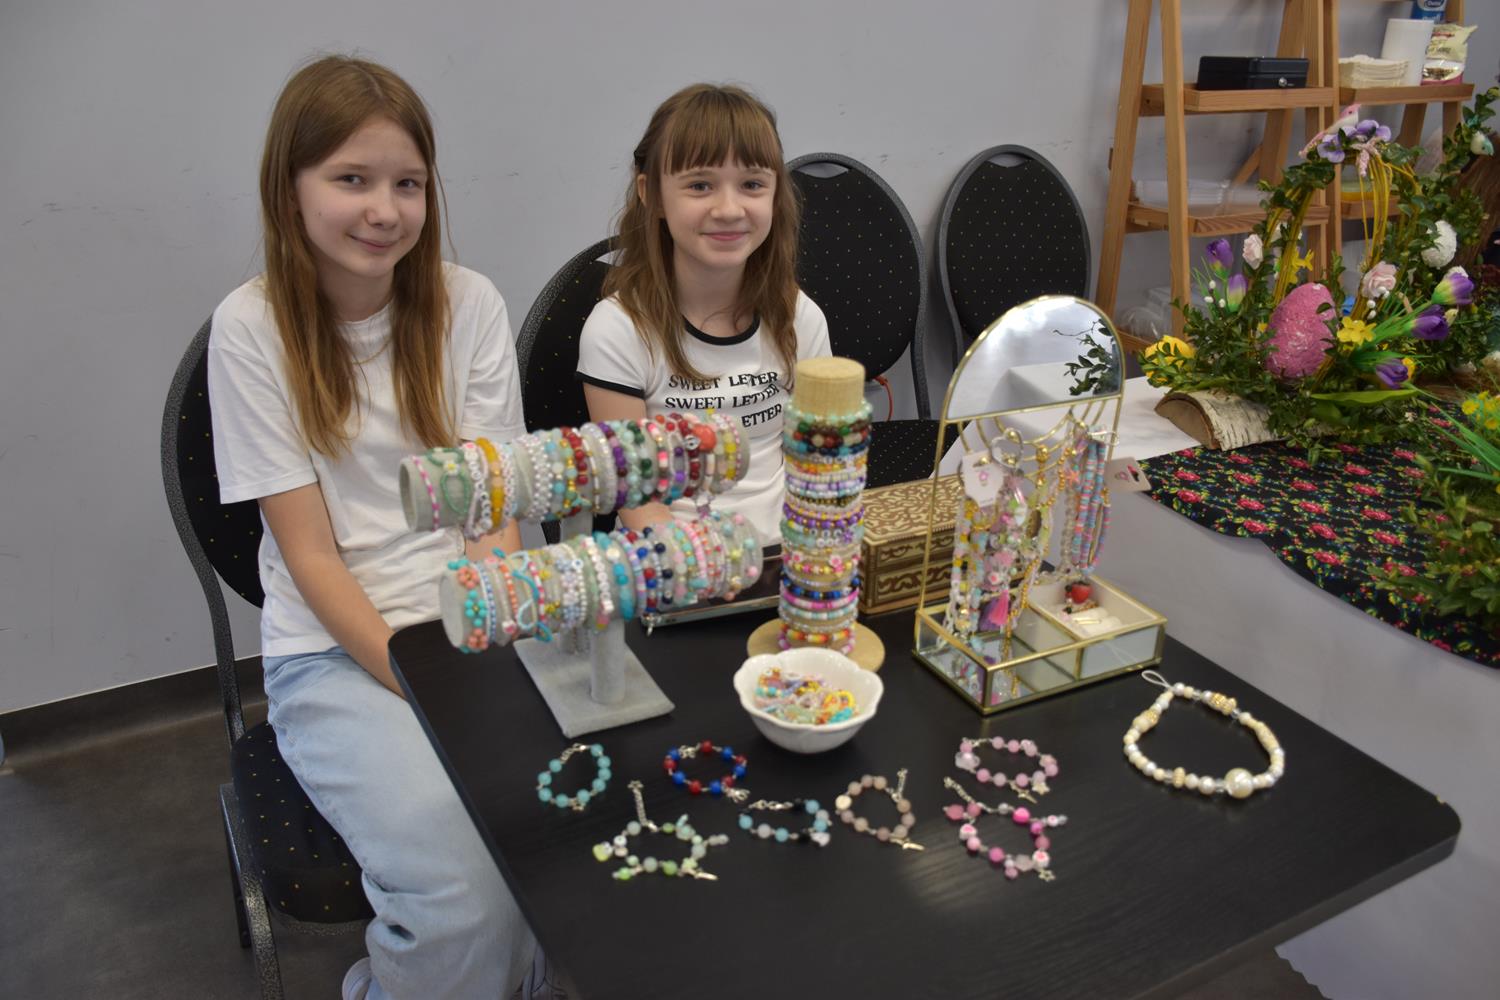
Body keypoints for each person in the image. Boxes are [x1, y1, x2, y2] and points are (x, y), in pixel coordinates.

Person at [206, 55, 545, 1000]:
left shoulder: (470, 304)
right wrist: (423, 678)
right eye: (351, 179)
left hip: (471, 625)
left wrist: (482, 636)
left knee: (560, 836)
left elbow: (491, 508)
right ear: (291, 188)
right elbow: (312, 555)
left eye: (408, 184)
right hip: (336, 654)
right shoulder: (252, 328)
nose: (384, 210)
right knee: (465, 893)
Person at [576, 83, 831, 541]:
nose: (729, 209)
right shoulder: (617, 330)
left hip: (788, 550)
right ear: (652, 195)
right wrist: (705, 568)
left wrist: (811, 552)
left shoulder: (799, 316)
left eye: (752, 184)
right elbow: (638, 501)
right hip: (676, 559)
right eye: (699, 185)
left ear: (775, 194)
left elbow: (818, 467)